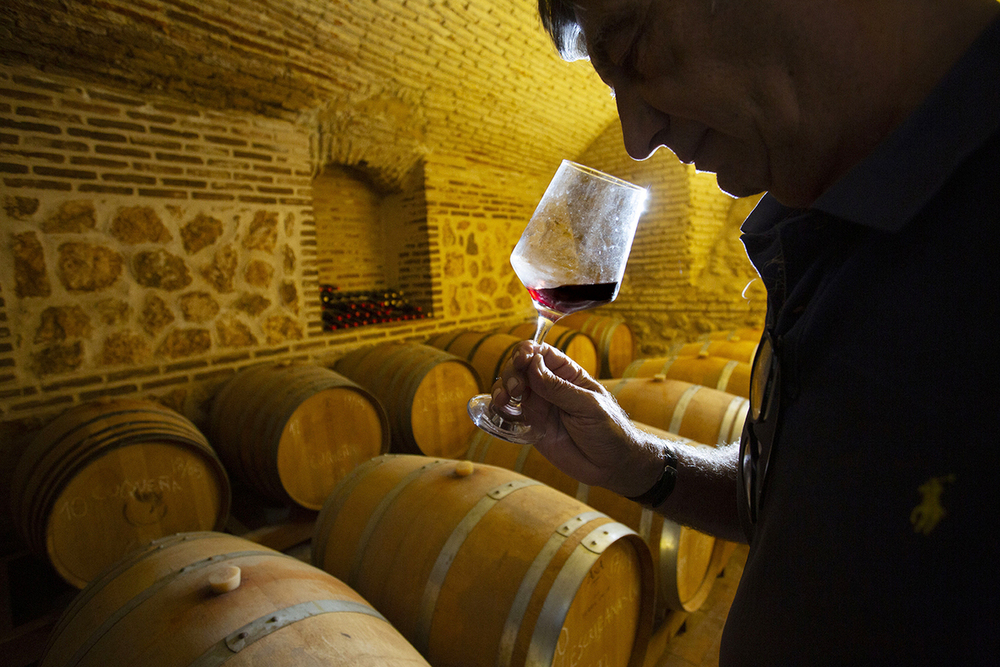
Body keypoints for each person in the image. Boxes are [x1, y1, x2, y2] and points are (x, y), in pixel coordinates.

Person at [487, 0, 1000, 663]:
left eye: (633, 46)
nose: (636, 136)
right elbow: (792, 498)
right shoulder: (819, 213)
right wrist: (633, 457)